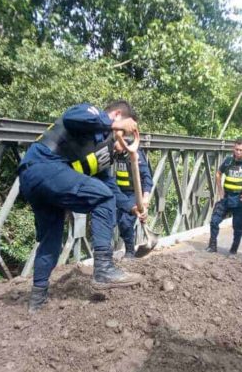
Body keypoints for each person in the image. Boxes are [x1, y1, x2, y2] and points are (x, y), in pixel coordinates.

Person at [19, 101, 147, 313]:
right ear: (116, 115)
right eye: (128, 130)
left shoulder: (104, 156)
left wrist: (132, 207)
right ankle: (104, 268)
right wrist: (113, 125)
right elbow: (71, 118)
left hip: (42, 181)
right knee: (103, 199)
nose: (127, 139)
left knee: (51, 240)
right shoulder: (91, 113)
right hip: (43, 167)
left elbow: (110, 188)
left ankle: (37, 299)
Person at [206, 139, 242, 254]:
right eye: (236, 149)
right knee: (214, 221)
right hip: (227, 197)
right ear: (233, 149)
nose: (238, 152)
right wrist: (220, 191)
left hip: (240, 199)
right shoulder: (228, 161)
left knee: (238, 227)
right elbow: (218, 173)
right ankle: (212, 246)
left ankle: (234, 249)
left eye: (241, 150)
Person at [113, 139, 153, 259]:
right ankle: (106, 254)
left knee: (125, 221)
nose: (113, 148)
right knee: (114, 220)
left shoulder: (135, 154)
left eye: (116, 145)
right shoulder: (115, 154)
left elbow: (147, 177)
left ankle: (130, 252)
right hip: (120, 194)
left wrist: (145, 197)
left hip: (134, 193)